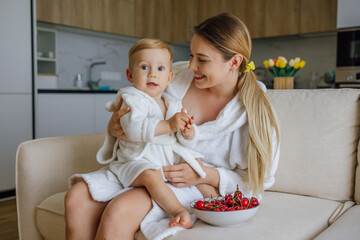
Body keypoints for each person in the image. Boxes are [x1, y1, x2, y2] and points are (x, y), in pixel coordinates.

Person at [65, 12, 280, 240]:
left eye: (202, 59)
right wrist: (114, 127)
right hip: (145, 164)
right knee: (77, 198)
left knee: (120, 211)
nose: (191, 65)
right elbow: (139, 106)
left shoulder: (254, 113)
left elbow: (257, 183)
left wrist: (204, 175)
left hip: (192, 185)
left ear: (234, 62)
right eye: (191, 55)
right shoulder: (174, 76)